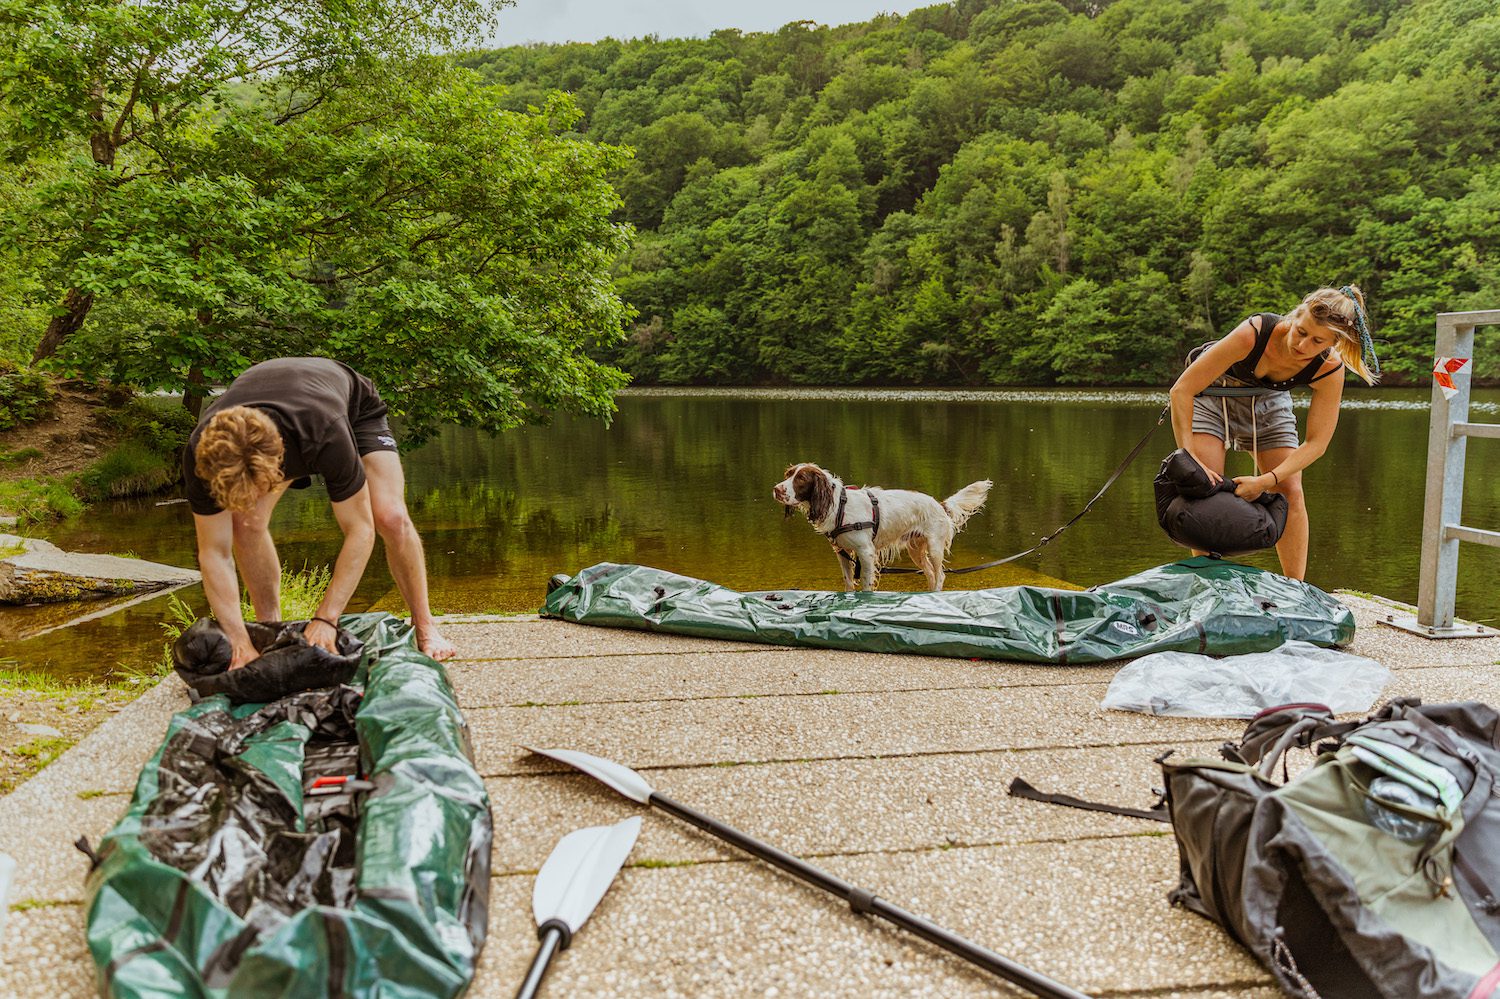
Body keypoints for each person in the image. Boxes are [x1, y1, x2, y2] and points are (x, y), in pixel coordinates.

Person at [183, 357, 456, 667]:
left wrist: (327, 618)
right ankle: (268, 632)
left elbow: (360, 531)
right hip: (272, 411)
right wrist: (239, 642)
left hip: (351, 407)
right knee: (246, 522)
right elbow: (214, 554)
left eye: (259, 486)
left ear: (280, 463)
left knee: (389, 517)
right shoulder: (201, 451)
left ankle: (425, 627)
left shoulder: (324, 432)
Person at [1168, 286, 1380, 580]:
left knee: (1290, 491)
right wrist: (1190, 457)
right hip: (1214, 394)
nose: (1303, 344)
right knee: (1205, 486)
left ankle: (1296, 588)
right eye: (1301, 331)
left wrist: (1267, 481)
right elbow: (1181, 390)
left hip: (1268, 402)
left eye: (1317, 340)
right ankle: (1209, 581)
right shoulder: (1254, 332)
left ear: (1333, 343)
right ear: (1296, 315)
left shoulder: (1329, 368)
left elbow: (1317, 443)